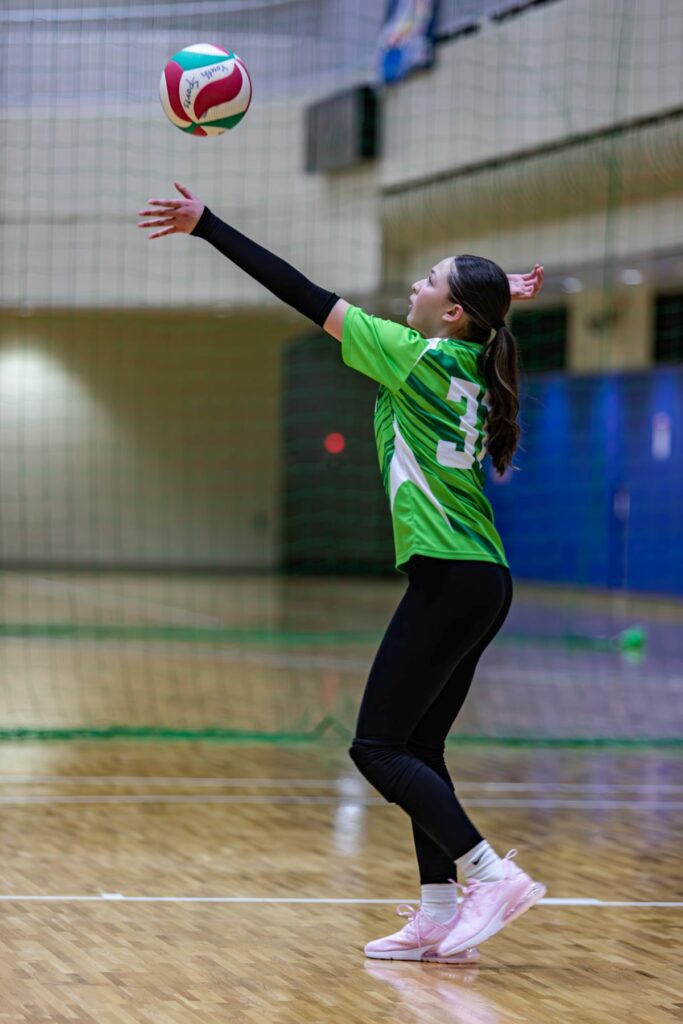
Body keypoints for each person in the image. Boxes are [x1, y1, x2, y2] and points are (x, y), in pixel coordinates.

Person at [137, 183, 547, 965]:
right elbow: (474, 313)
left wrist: (207, 225)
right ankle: (435, 914)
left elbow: (301, 291)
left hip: (451, 578)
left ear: (453, 313)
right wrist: (499, 295)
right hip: (478, 579)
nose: (415, 287)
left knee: (376, 747)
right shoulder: (466, 350)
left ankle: (490, 875)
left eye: (429, 281)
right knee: (418, 750)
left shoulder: (411, 354)